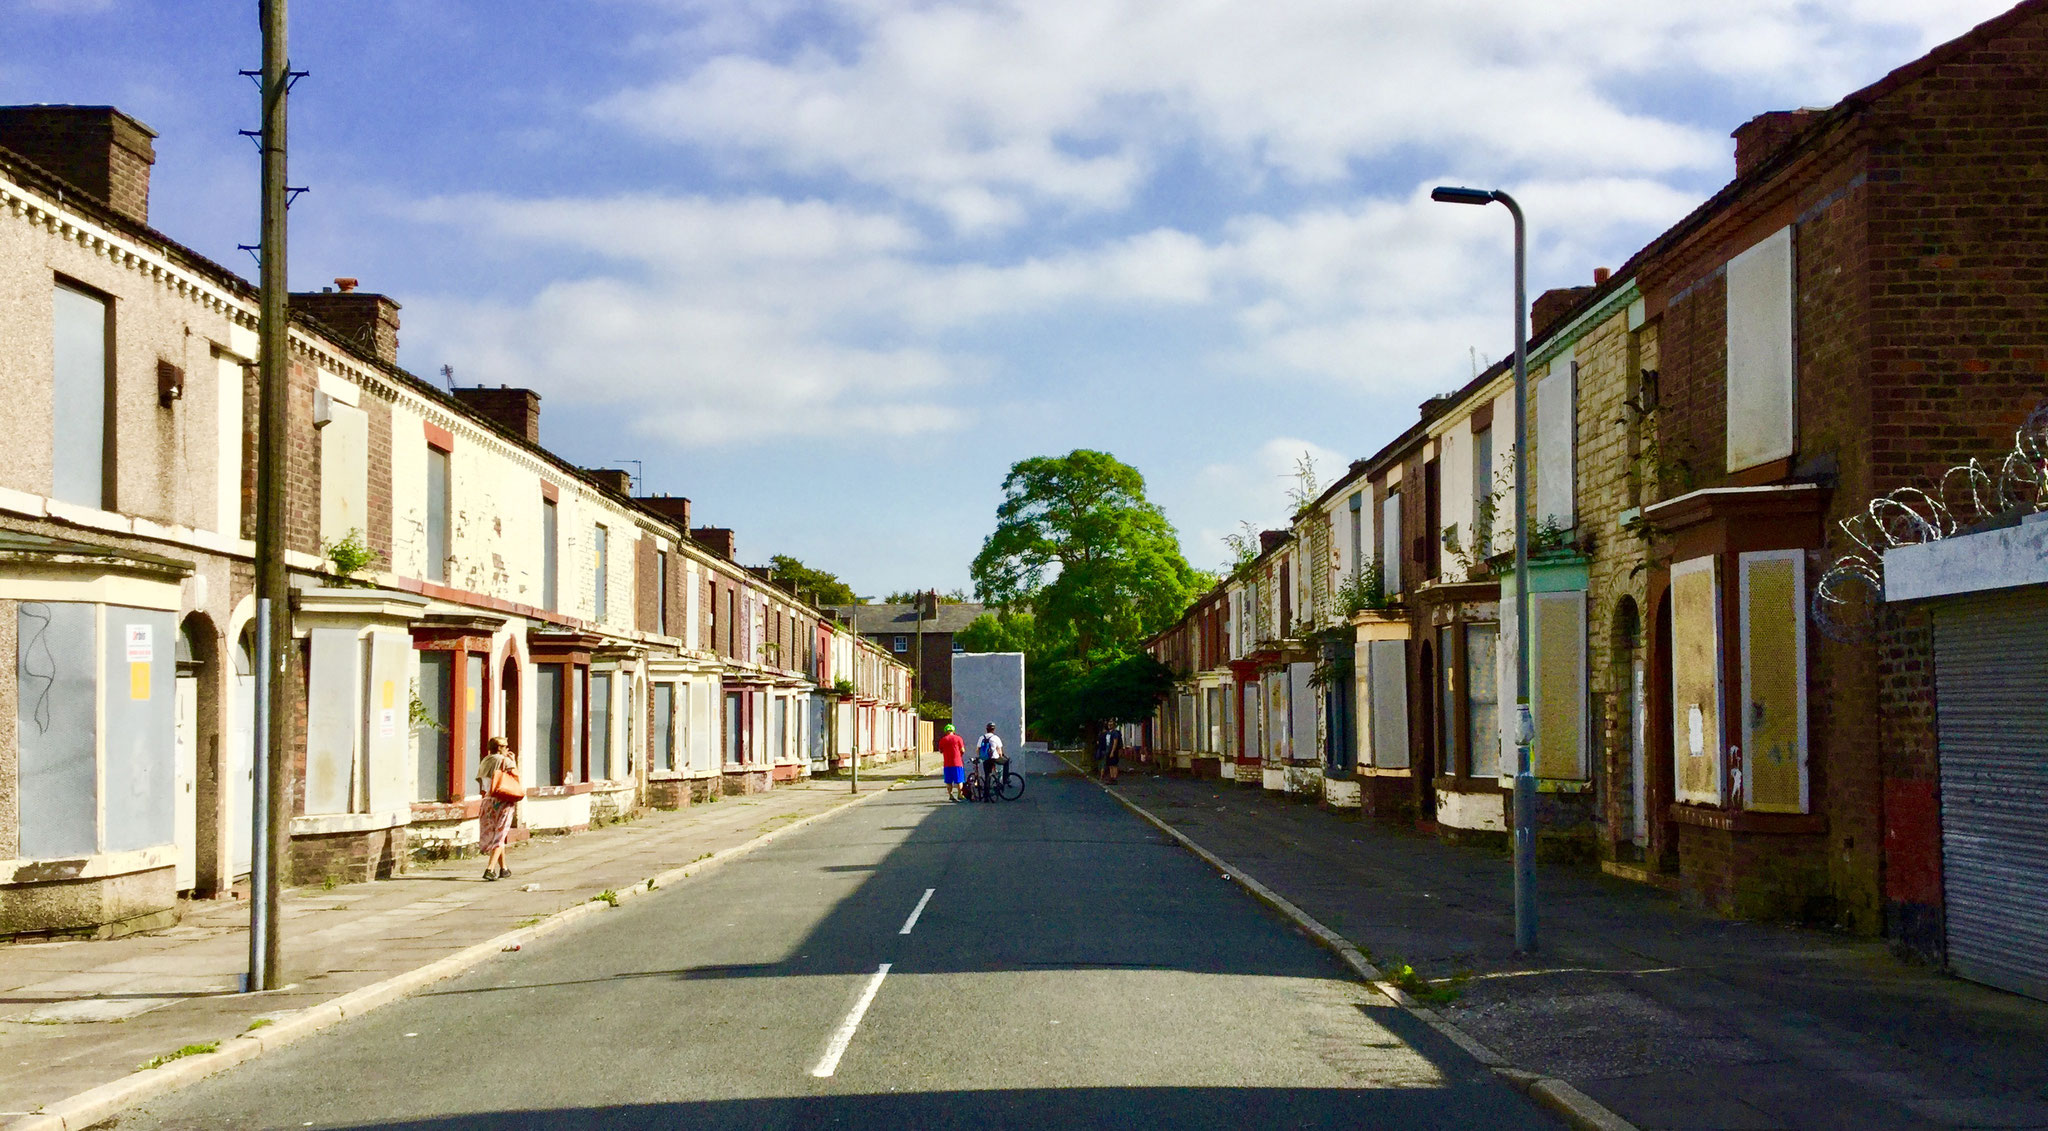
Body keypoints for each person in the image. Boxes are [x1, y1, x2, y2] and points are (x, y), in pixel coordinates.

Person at [476, 736, 519, 880]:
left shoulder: (485, 761)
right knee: (500, 836)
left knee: (497, 834)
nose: (507, 748)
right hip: (503, 802)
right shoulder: (505, 761)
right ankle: (490, 869)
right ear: (500, 748)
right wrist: (513, 762)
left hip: (487, 801)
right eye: (505, 746)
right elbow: (516, 778)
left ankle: (504, 868)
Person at [975, 723, 1006, 802]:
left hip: (985, 758)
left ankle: (986, 796)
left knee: (987, 776)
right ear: (993, 729)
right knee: (1006, 762)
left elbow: (978, 749)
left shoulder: (982, 737)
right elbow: (999, 750)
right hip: (994, 758)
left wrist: (980, 757)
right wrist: (1001, 756)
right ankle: (1003, 780)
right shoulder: (995, 738)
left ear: (986, 729)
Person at [938, 724, 967, 801]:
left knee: (948, 781)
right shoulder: (958, 738)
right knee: (959, 780)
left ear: (945, 731)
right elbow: (963, 750)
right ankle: (959, 794)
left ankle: (950, 795)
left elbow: (941, 750)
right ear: (953, 731)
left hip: (947, 763)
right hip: (957, 762)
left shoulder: (942, 740)